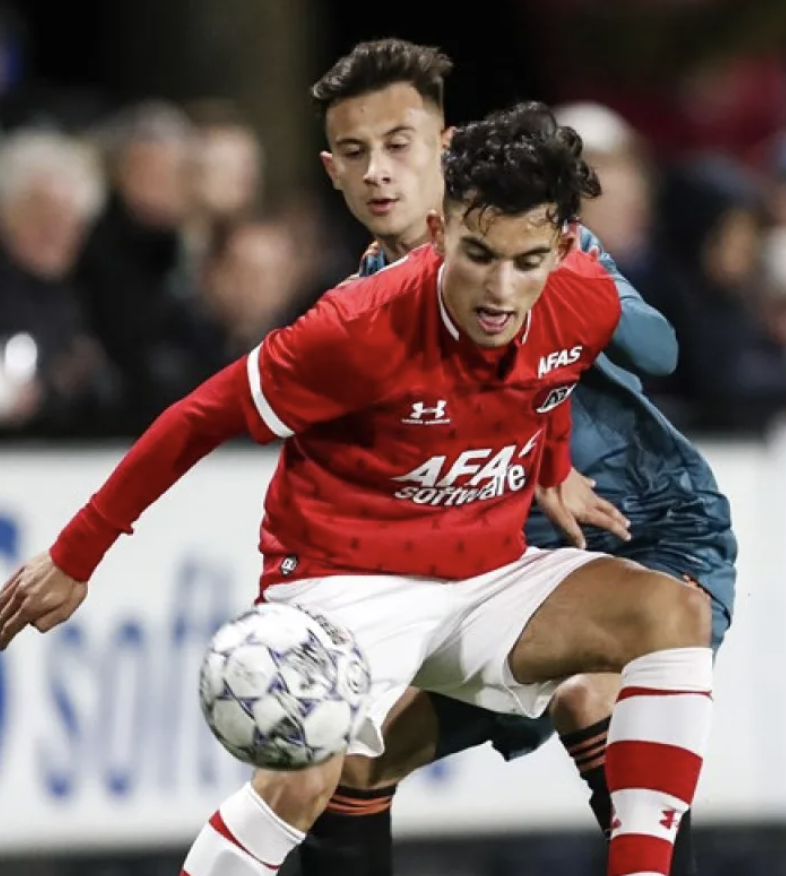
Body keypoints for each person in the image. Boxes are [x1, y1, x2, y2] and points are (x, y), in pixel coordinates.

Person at [0, 101, 714, 876]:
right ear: (438, 231)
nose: (501, 289)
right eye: (478, 254)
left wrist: (552, 469)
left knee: (673, 611)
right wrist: (75, 556)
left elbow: (547, 381)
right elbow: (195, 418)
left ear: (565, 248)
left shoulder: (585, 297)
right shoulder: (357, 327)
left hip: (484, 577)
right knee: (302, 782)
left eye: (527, 261)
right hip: (343, 582)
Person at [287, 39, 735, 876]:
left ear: (445, 150)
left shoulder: (543, 243)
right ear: (333, 171)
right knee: (356, 764)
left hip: (649, 529)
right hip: (512, 565)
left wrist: (558, 270)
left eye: (400, 146)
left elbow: (660, 351)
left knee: (593, 695)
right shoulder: (359, 306)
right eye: (357, 153)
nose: (380, 173)